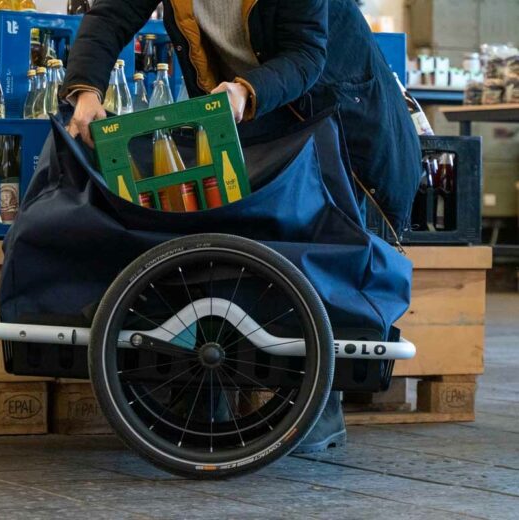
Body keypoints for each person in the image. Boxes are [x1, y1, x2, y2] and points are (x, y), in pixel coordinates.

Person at [62, 0, 421, 453]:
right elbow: (110, 16)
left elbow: (306, 53)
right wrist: (87, 90)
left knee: (318, 247)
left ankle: (322, 404)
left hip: (330, 107)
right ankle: (204, 392)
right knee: (222, 240)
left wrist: (244, 91)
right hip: (237, 113)